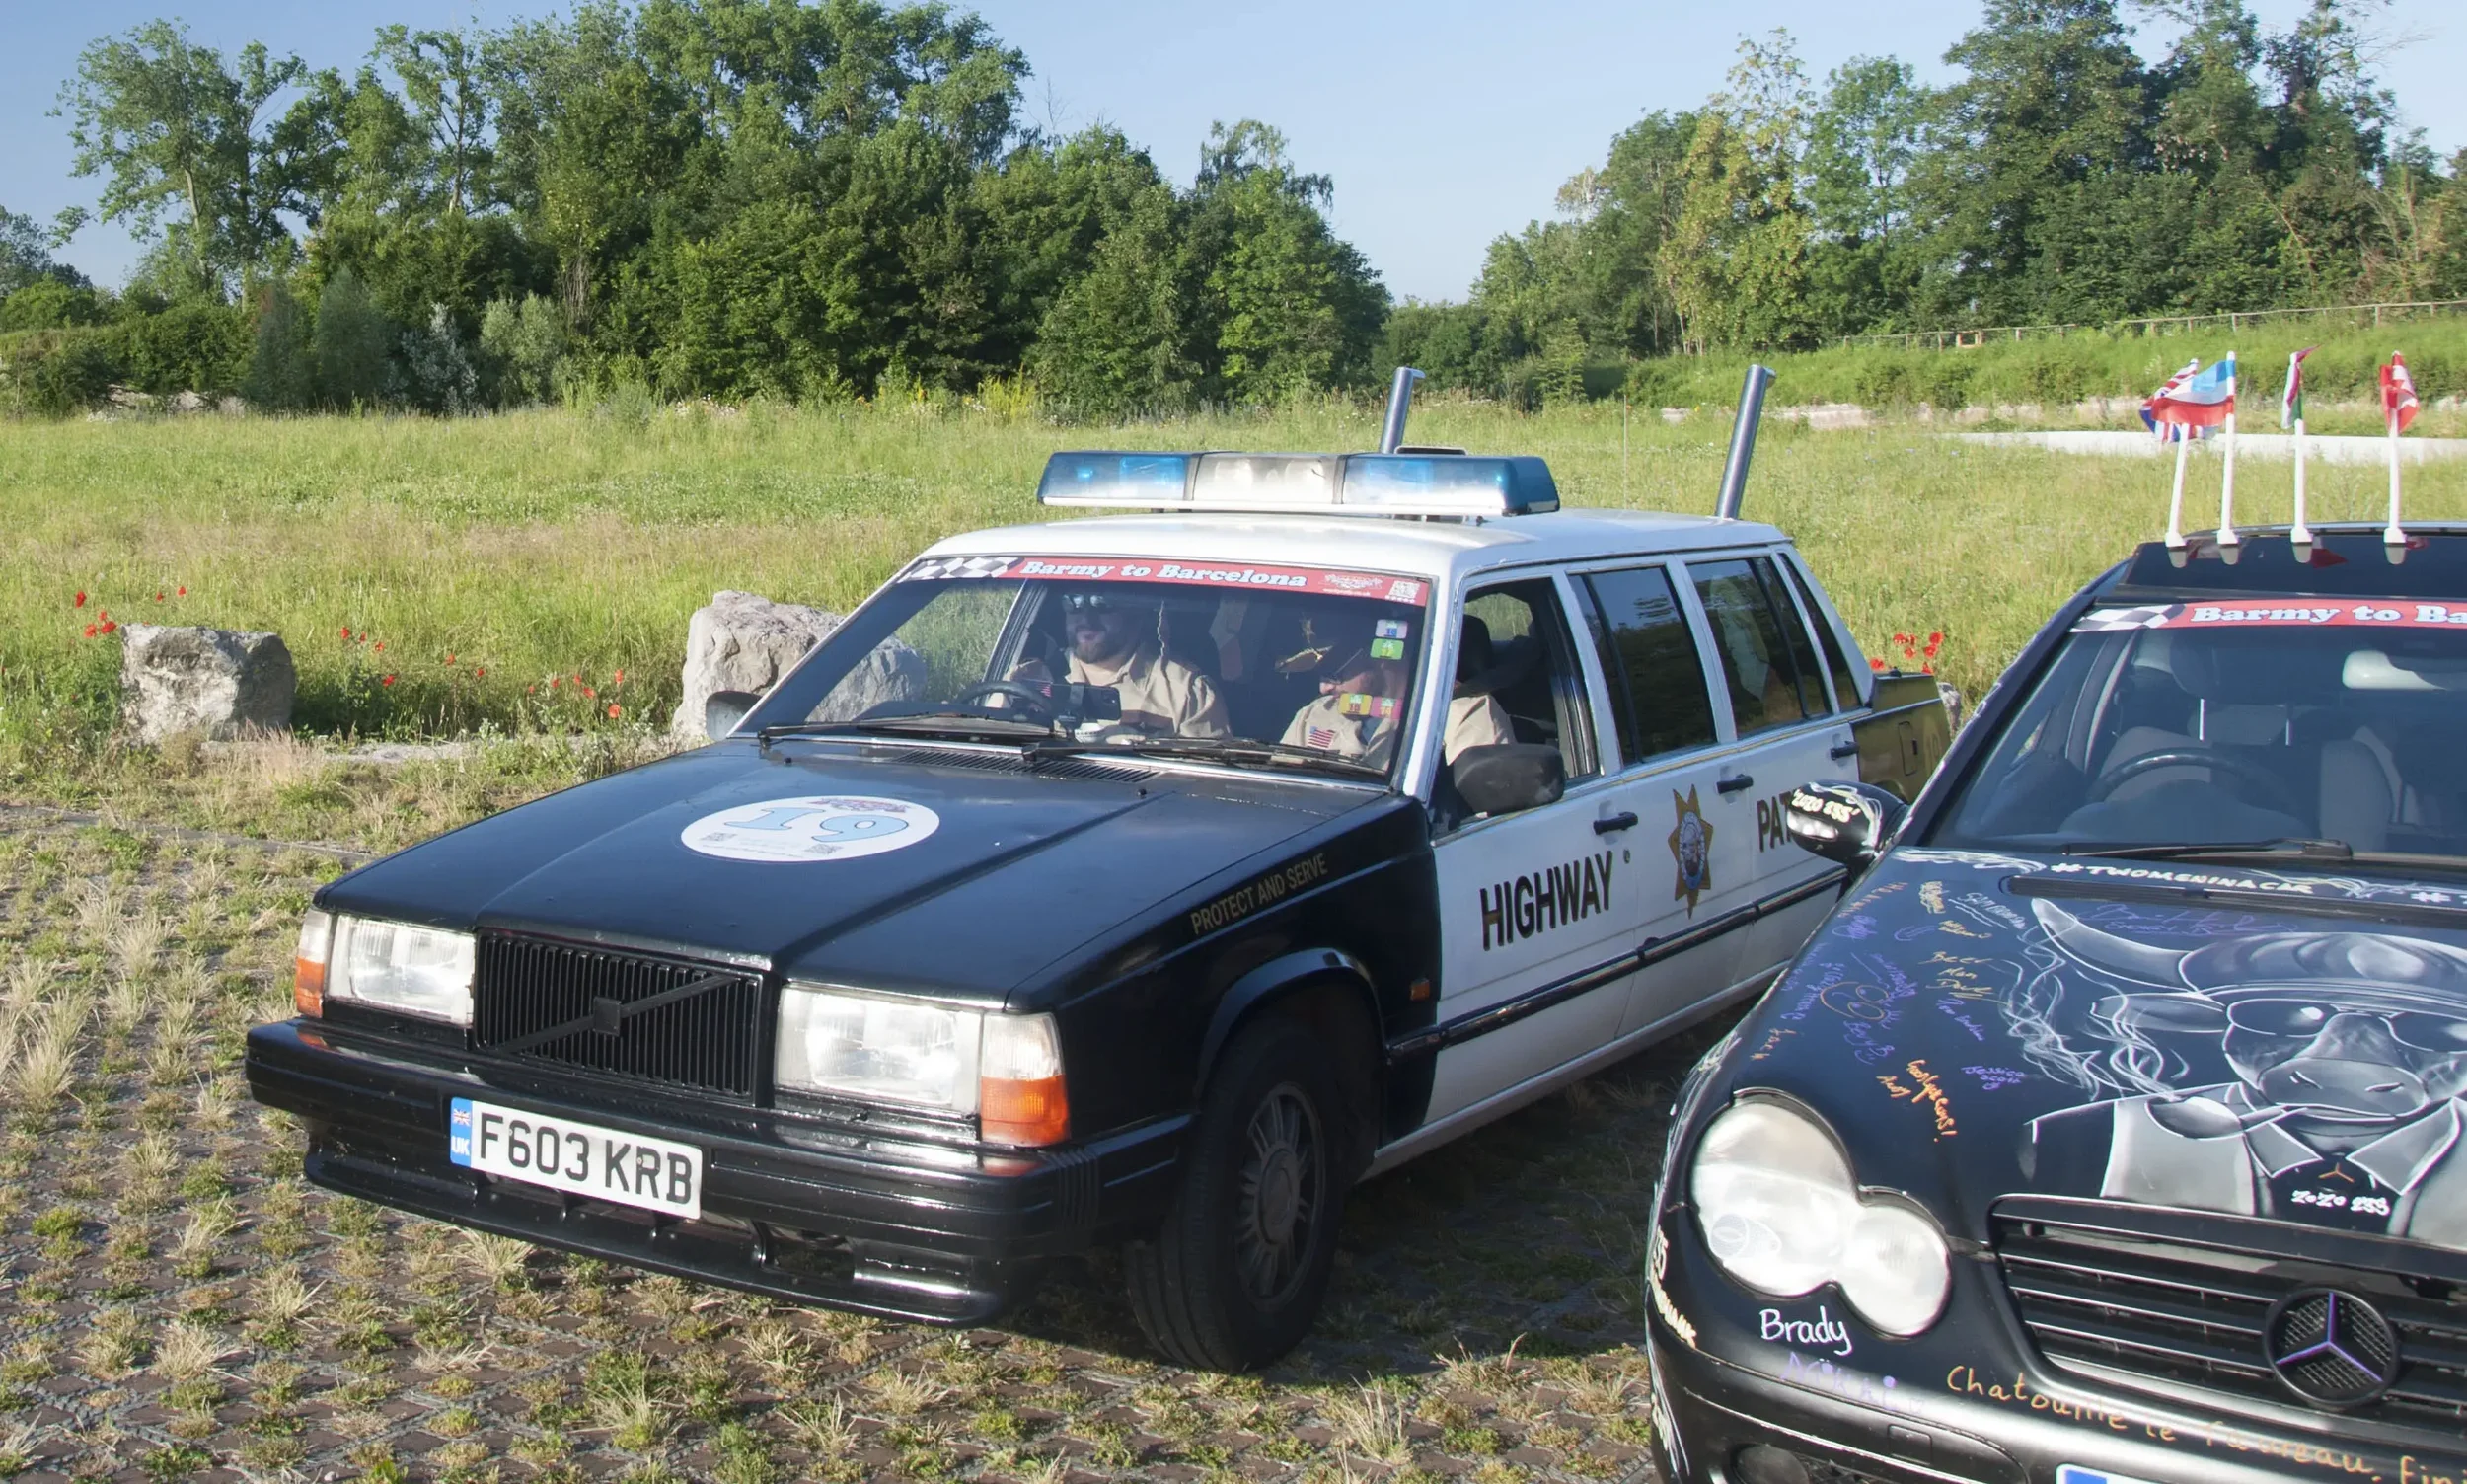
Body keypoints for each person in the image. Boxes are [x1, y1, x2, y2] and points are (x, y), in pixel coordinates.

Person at [1280, 617, 1512, 769]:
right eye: (1320, 676)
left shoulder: (1462, 716)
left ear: (1382, 656)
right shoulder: (1315, 714)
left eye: (1335, 673)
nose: (1324, 689)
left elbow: (1484, 819)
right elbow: (1278, 788)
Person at [1013, 590, 1230, 740]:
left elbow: (1204, 789)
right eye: (1073, 603)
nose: (1086, 618)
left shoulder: (1186, 692)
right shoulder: (1025, 682)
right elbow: (986, 746)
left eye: (1103, 604)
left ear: (1138, 613)